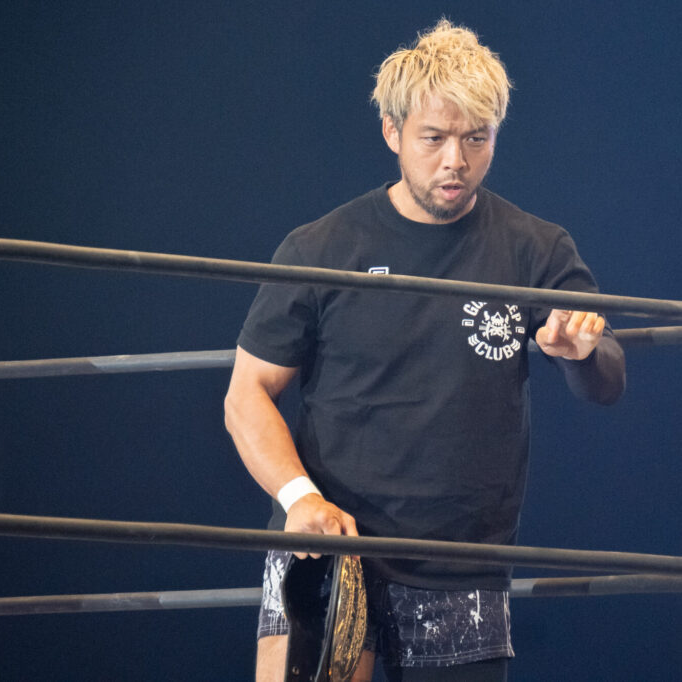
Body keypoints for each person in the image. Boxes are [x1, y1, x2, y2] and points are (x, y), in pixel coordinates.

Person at [224, 19, 625, 682]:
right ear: (393, 132)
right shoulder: (322, 247)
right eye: (434, 138)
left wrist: (580, 350)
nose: (455, 161)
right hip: (328, 543)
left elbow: (607, 380)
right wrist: (299, 497)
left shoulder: (534, 247)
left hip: (463, 563)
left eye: (476, 138)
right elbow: (247, 394)